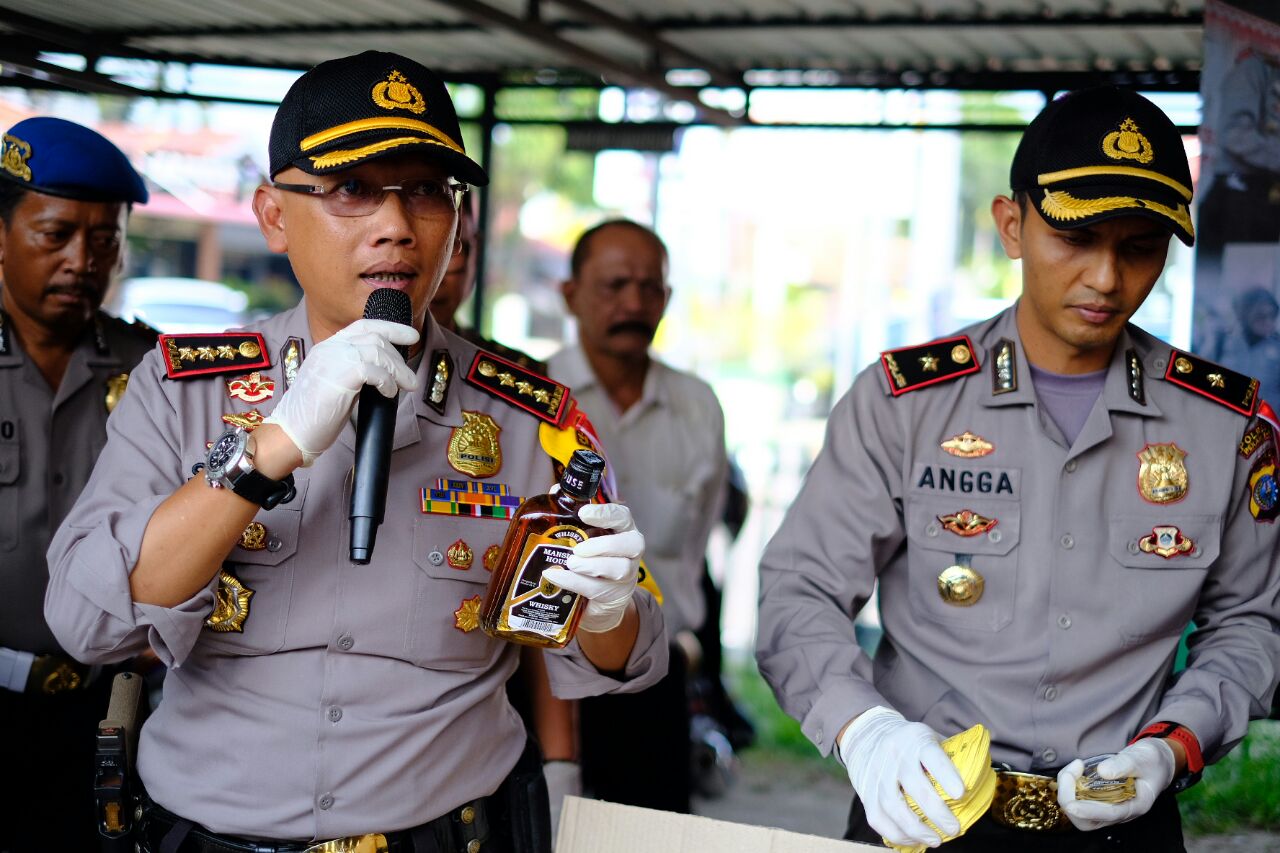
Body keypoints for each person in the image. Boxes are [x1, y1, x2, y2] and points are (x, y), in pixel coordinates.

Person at [45, 51, 667, 853]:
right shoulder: (182, 387)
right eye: (352, 190)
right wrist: (269, 446)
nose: (397, 226)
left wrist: (607, 607)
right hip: (208, 836)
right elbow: (87, 623)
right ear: (273, 215)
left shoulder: (527, 417)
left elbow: (628, 656)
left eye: (427, 192)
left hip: (448, 835)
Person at [756, 87, 1280, 853]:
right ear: (1012, 224)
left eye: (1139, 246)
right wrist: (865, 731)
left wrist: (1168, 746)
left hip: (1120, 822)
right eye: (1077, 236)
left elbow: (1249, 624)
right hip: (924, 809)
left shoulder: (1221, 424)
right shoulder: (905, 404)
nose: (1106, 276)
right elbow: (799, 590)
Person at [0, 116, 153, 852]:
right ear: (1, 236)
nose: (82, 260)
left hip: (111, 712)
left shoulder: (152, 372)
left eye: (104, 240)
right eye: (55, 234)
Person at [550, 219, 729, 813]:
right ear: (570, 294)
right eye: (614, 284)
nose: (634, 303)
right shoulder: (535, 393)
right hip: (546, 674)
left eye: (650, 288)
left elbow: (695, 544)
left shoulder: (697, 407)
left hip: (653, 673)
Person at [427, 193, 581, 837]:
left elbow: (549, 589)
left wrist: (562, 759)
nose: (444, 257)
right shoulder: (286, 382)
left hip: (486, 718)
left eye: (459, 243)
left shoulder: (520, 392)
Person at [1215, 286, 1280, 399]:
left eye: (1272, 315)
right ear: (1245, 314)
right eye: (1261, 316)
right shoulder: (1223, 341)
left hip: (1263, 415)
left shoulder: (1277, 348)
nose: (1268, 322)